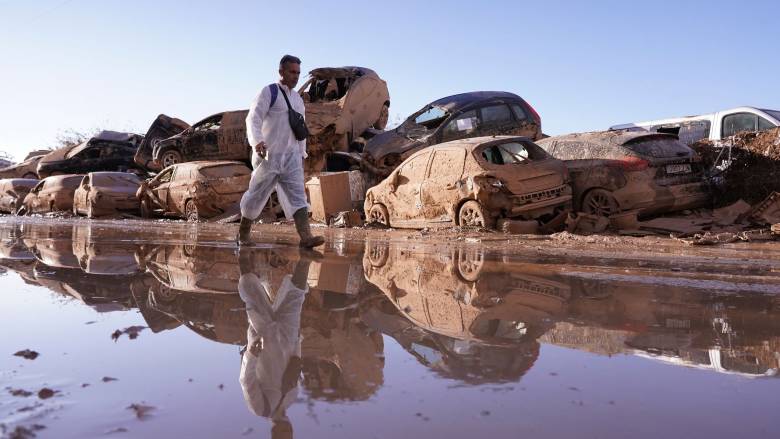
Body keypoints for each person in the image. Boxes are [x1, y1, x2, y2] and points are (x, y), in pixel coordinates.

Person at [238, 54, 325, 248]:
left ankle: (306, 237)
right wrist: (257, 141)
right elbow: (253, 119)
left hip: (291, 158)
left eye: (298, 73)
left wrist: (302, 153)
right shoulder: (270, 92)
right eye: (292, 72)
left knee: (298, 196)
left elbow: (300, 129)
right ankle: (243, 234)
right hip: (269, 156)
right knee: (256, 195)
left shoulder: (298, 100)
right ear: (281, 72)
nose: (295, 76)